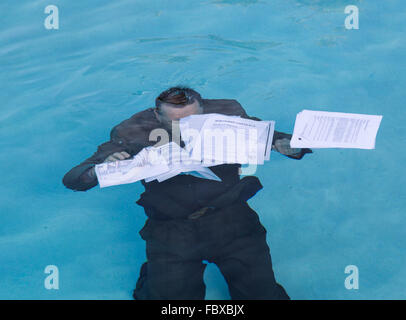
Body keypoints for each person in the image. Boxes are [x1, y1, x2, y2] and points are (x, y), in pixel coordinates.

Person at [62, 87, 312, 300]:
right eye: (176, 121)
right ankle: (154, 273)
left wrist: (285, 146)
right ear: (156, 115)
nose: (186, 127)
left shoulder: (228, 115)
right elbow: (75, 179)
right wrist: (99, 169)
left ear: (203, 109)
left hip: (231, 218)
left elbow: (282, 140)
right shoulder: (134, 132)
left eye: (193, 119)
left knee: (262, 295)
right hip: (171, 227)